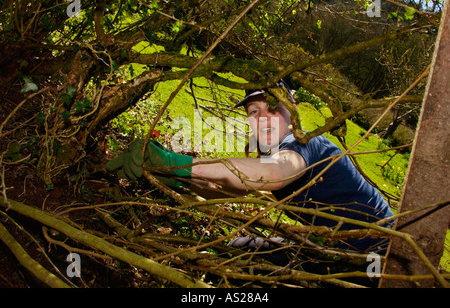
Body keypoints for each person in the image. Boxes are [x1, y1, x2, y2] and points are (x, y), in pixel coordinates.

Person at [106, 80, 394, 256]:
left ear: (292, 113)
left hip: (378, 251)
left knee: (252, 262)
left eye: (273, 108)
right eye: (254, 111)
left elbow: (276, 174)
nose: (264, 118)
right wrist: (177, 178)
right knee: (241, 248)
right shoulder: (274, 151)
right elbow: (236, 189)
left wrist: (180, 165)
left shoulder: (306, 143)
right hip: (334, 245)